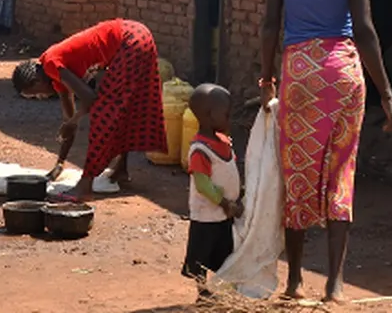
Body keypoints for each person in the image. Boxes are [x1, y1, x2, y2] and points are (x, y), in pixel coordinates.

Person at [259, 0, 392, 303]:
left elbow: (270, 23)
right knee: (341, 173)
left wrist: (266, 78)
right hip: (341, 75)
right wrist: (388, 95)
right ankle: (335, 285)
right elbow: (365, 31)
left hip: (299, 72)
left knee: (298, 174)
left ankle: (294, 282)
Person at [12, 18, 167, 202]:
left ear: (36, 82)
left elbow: (90, 98)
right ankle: (121, 170)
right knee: (125, 108)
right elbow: (68, 122)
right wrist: (60, 163)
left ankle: (84, 186)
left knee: (104, 113)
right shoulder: (54, 74)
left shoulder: (52, 64)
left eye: (35, 94)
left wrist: (73, 120)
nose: (40, 97)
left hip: (130, 40)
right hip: (139, 34)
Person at [182, 83, 244, 298]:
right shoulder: (200, 150)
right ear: (209, 116)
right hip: (206, 216)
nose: (230, 118)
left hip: (224, 215)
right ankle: (203, 292)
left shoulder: (224, 142)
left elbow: (229, 172)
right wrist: (226, 203)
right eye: (226, 114)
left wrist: (239, 195)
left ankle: (222, 290)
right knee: (201, 255)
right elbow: (203, 185)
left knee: (224, 253)